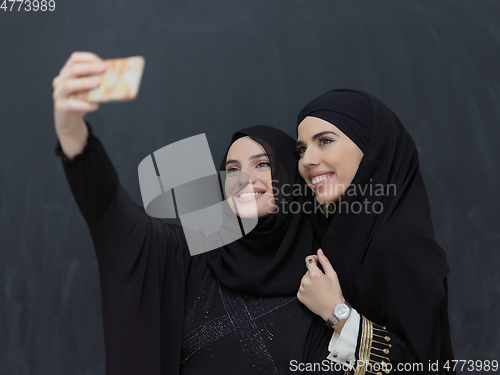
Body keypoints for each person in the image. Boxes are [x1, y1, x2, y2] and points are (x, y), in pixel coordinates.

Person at [52, 52, 347, 375]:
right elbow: (114, 217)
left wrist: (338, 313)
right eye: (231, 169)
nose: (244, 178)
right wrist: (73, 135)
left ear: (292, 177)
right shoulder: (194, 251)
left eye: (262, 164)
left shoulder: (328, 269)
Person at [294, 89, 456, 374]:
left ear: (370, 147)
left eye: (325, 141)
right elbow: (213, 233)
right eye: (302, 149)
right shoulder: (330, 231)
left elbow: (425, 365)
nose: (307, 159)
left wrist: (337, 313)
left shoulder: (402, 244)